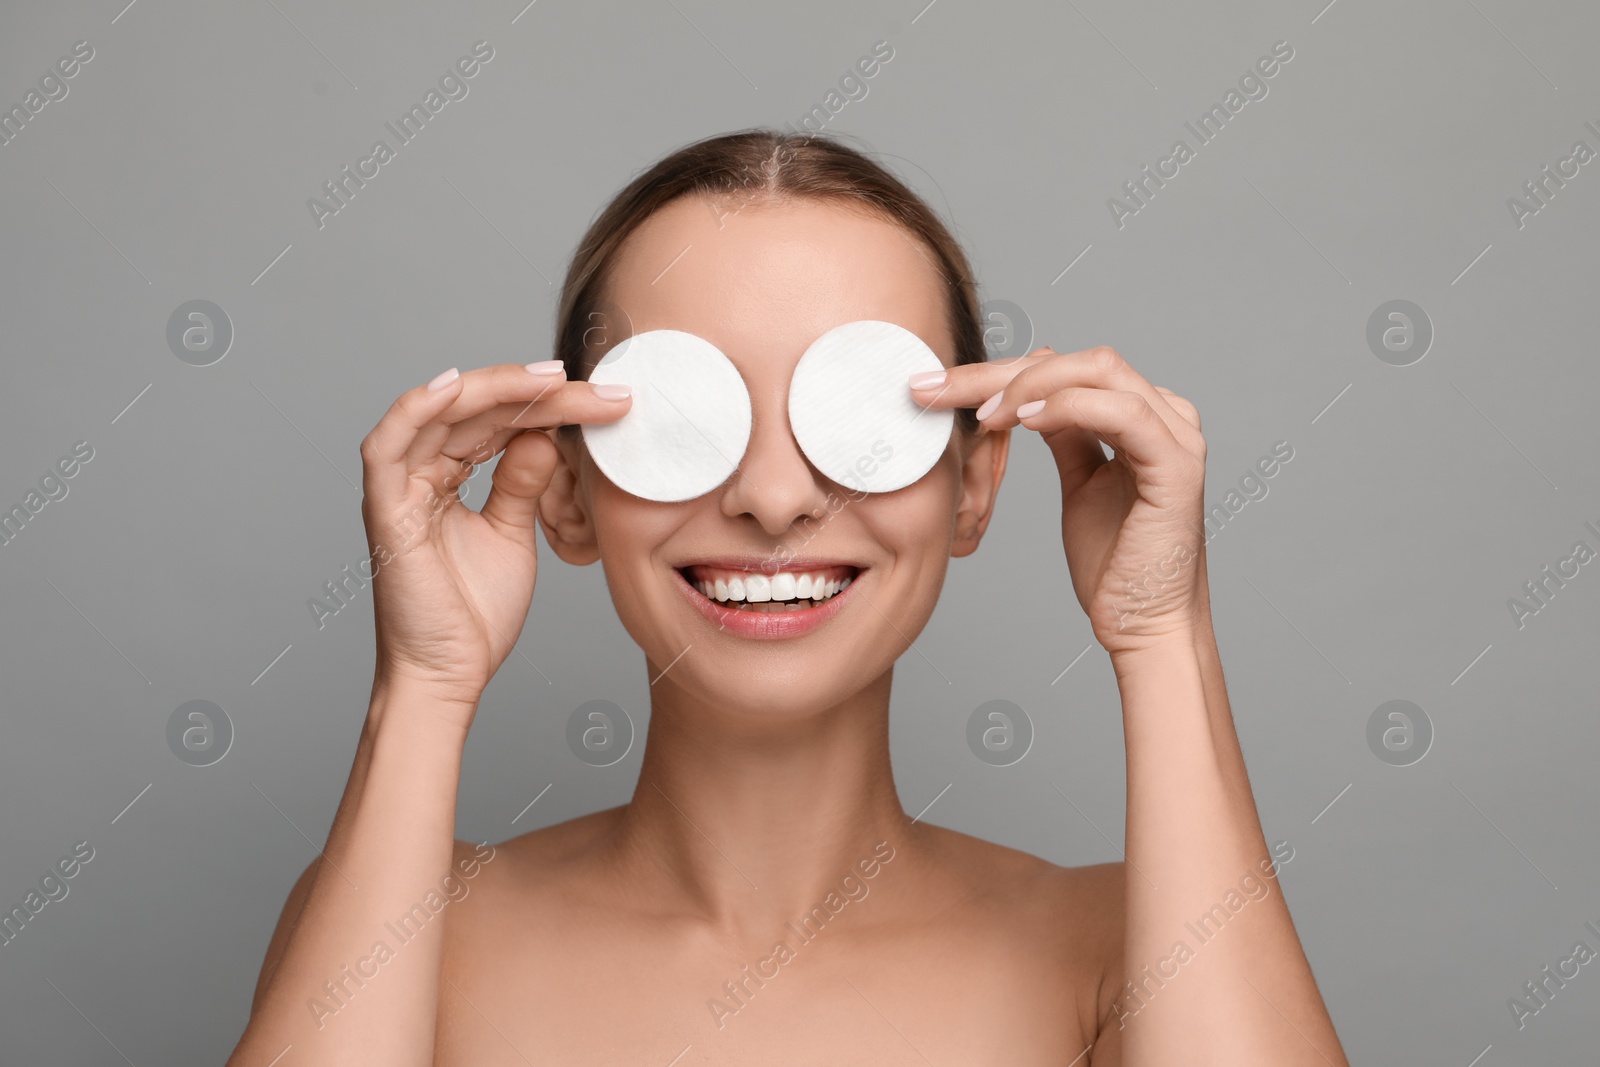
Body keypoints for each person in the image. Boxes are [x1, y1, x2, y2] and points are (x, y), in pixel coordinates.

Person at [228, 128, 1348, 1065]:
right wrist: (423, 687)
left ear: (974, 486)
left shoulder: (1114, 950)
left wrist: (1162, 635)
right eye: (683, 418)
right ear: (566, 490)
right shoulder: (408, 924)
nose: (770, 497)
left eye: (863, 421)